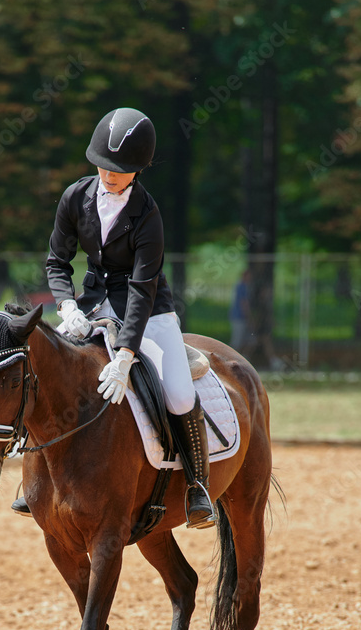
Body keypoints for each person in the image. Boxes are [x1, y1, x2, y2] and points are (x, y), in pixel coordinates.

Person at [12, 107, 216, 529]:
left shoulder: (148, 214)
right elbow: (57, 261)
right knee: (50, 372)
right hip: (90, 303)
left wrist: (125, 354)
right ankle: (33, 480)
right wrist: (66, 305)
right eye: (104, 165)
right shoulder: (75, 197)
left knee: (178, 394)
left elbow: (143, 288)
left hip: (148, 310)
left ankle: (197, 485)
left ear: (138, 170)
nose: (109, 175)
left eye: (119, 170)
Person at [229, 268, 254, 353]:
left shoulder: (243, 287)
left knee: (246, 339)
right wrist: (248, 316)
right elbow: (243, 303)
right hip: (239, 316)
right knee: (237, 340)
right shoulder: (241, 287)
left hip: (240, 317)